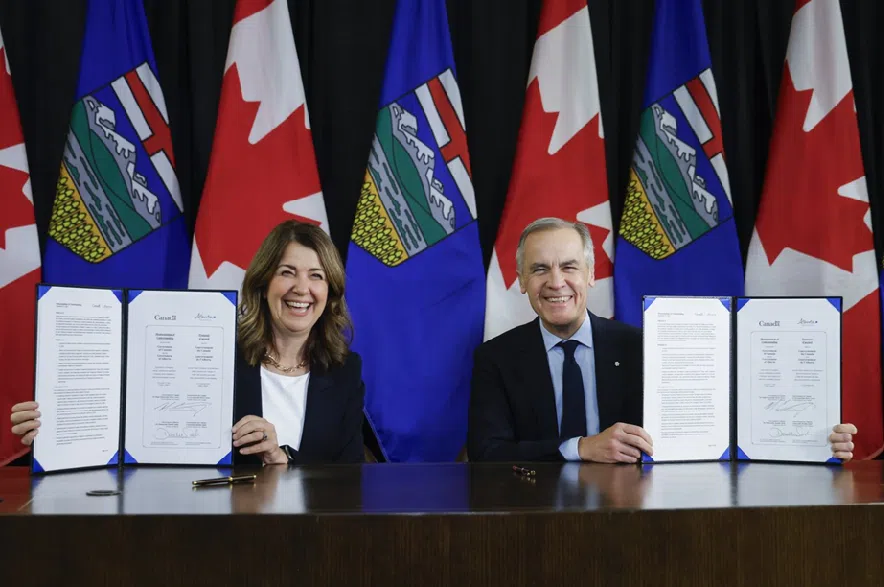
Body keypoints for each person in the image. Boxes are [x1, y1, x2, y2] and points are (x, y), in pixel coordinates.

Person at [467, 217, 857, 463]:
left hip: (638, 516)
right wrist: (580, 447)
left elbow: (718, 431)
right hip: (534, 517)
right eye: (539, 269)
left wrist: (812, 440)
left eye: (569, 266)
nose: (556, 282)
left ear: (590, 275)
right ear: (520, 280)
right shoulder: (495, 358)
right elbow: (488, 453)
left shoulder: (644, 347)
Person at [10, 220, 366, 466]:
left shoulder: (345, 371)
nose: (301, 289)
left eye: (316, 276)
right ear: (262, 283)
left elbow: (348, 479)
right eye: (287, 272)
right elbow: (137, 430)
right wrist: (58, 433)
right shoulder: (212, 357)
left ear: (329, 292)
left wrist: (280, 459)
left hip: (315, 544)